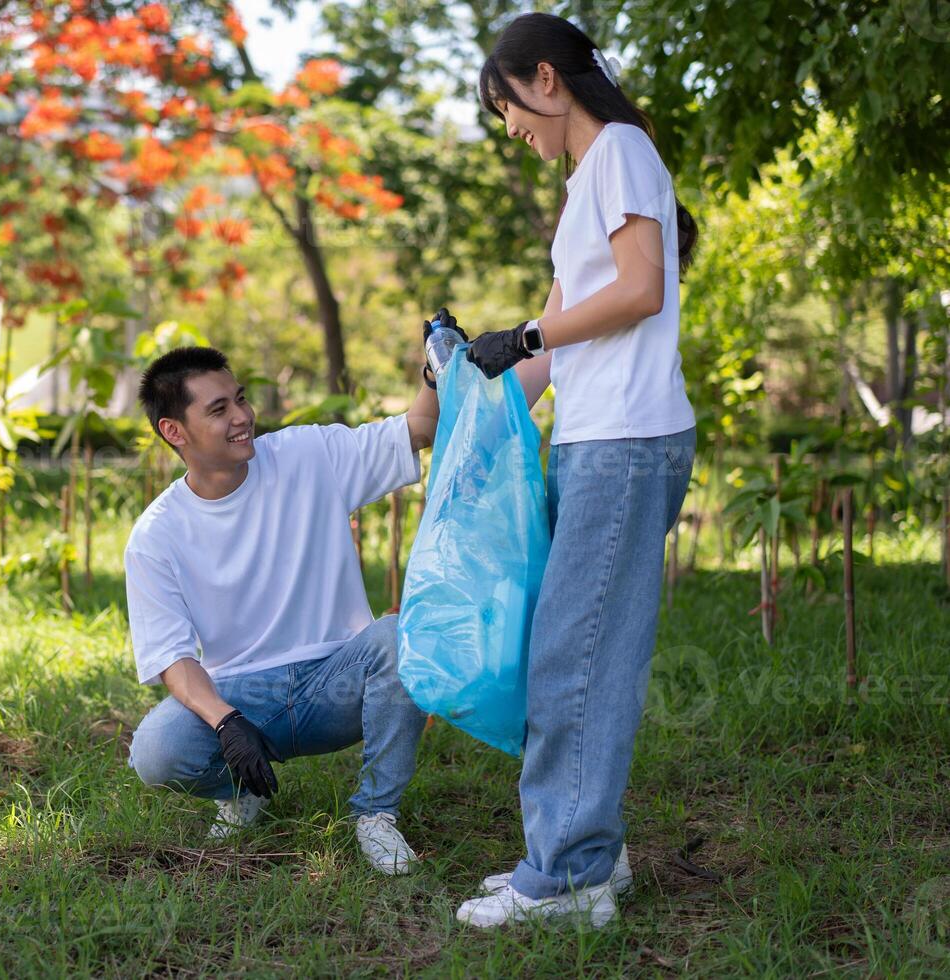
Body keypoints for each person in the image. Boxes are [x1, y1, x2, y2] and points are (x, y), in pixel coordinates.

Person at [451, 12, 697, 928]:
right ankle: (588, 855)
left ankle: (566, 879)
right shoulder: (589, 176)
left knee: (577, 660)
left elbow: (640, 290)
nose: (509, 127)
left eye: (505, 106)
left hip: (627, 445)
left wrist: (524, 333)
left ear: (545, 80)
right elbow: (548, 352)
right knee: (571, 652)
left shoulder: (623, 150)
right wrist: (473, 386)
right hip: (598, 441)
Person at [123, 345, 448, 874]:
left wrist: (434, 377)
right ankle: (242, 790)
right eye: (218, 409)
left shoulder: (307, 455)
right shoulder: (156, 535)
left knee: (397, 635)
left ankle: (375, 816)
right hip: (243, 697)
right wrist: (227, 724)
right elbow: (172, 659)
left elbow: (418, 428)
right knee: (155, 751)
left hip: (336, 679)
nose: (242, 417)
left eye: (241, 399)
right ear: (174, 432)